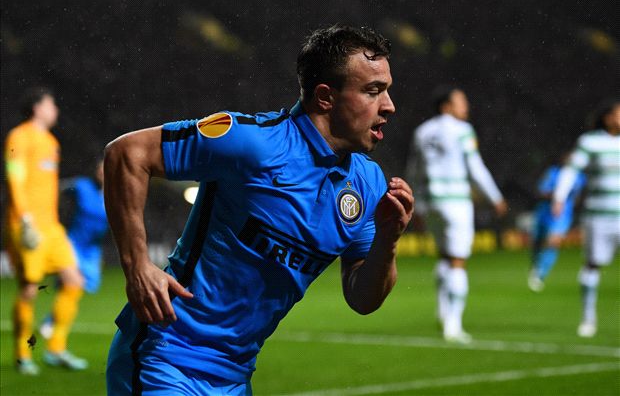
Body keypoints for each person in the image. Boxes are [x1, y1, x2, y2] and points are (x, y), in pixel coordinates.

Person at [105, 25, 414, 394]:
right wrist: (137, 265)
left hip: (235, 376)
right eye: (373, 91)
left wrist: (387, 239)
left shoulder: (368, 183)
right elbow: (126, 154)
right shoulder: (251, 142)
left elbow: (363, 298)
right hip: (166, 356)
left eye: (387, 90)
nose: (389, 106)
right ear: (325, 97)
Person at [406, 86, 507, 344]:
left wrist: (416, 204)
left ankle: (442, 312)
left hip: (431, 202)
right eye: (461, 102)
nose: (466, 107)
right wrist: (495, 197)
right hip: (456, 202)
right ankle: (454, 325)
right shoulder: (463, 130)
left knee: (444, 257)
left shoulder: (422, 131)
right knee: (458, 261)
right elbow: (476, 168)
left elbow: (414, 170)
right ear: (446, 106)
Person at [4, 87, 88, 375]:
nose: (56, 110)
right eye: (52, 105)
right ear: (37, 107)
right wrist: (25, 217)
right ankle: (22, 354)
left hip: (51, 226)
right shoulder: (19, 137)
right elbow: (15, 177)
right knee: (29, 289)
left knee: (74, 280)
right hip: (27, 224)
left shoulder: (52, 142)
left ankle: (56, 348)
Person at [552, 99, 620, 338]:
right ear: (608, 118)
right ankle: (588, 318)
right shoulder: (590, 142)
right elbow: (571, 170)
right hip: (598, 217)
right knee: (592, 264)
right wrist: (559, 197)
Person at [40, 160, 108, 339]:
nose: (103, 172)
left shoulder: (117, 194)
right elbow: (56, 188)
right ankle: (54, 330)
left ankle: (53, 320)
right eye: (100, 168)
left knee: (83, 285)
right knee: (73, 283)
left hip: (92, 250)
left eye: (107, 169)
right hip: (73, 243)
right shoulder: (82, 186)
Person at [528, 155, 586, 292]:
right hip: (544, 211)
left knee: (553, 242)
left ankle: (540, 273)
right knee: (537, 241)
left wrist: (571, 203)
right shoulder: (553, 172)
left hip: (563, 214)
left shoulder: (580, 177)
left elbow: (579, 195)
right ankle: (535, 264)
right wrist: (557, 196)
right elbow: (541, 191)